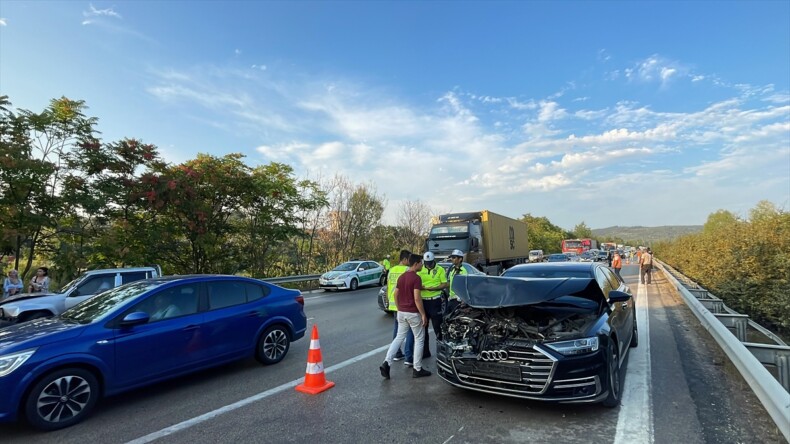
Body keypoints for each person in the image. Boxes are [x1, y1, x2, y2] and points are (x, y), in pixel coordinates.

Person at [379, 253, 431, 379]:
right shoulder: (416, 278)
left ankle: (387, 362)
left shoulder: (402, 277)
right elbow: (417, 298)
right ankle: (417, 369)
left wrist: (398, 308)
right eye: (421, 263)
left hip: (401, 312)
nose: (422, 265)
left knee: (399, 338)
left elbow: (396, 294)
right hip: (413, 313)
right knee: (419, 339)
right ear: (416, 263)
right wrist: (423, 314)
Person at [403, 251, 448, 365]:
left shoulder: (440, 270)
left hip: (435, 301)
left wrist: (435, 288)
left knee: (438, 328)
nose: (427, 265)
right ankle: (425, 352)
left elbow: (445, 284)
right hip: (423, 302)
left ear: (434, 261)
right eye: (426, 263)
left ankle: (441, 352)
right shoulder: (420, 269)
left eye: (429, 263)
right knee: (423, 328)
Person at [387, 250, 411, 361]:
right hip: (402, 303)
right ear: (405, 259)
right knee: (406, 330)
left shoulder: (391, 270)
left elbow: (388, 286)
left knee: (396, 329)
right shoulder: (407, 270)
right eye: (409, 259)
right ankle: (408, 354)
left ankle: (396, 353)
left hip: (392, 303)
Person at [445, 249, 468, 315]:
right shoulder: (452, 269)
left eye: (454, 257)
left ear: (460, 259)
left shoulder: (463, 271)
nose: (452, 259)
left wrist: (463, 299)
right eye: (451, 257)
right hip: (451, 299)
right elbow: (450, 283)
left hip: (458, 300)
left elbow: (464, 286)